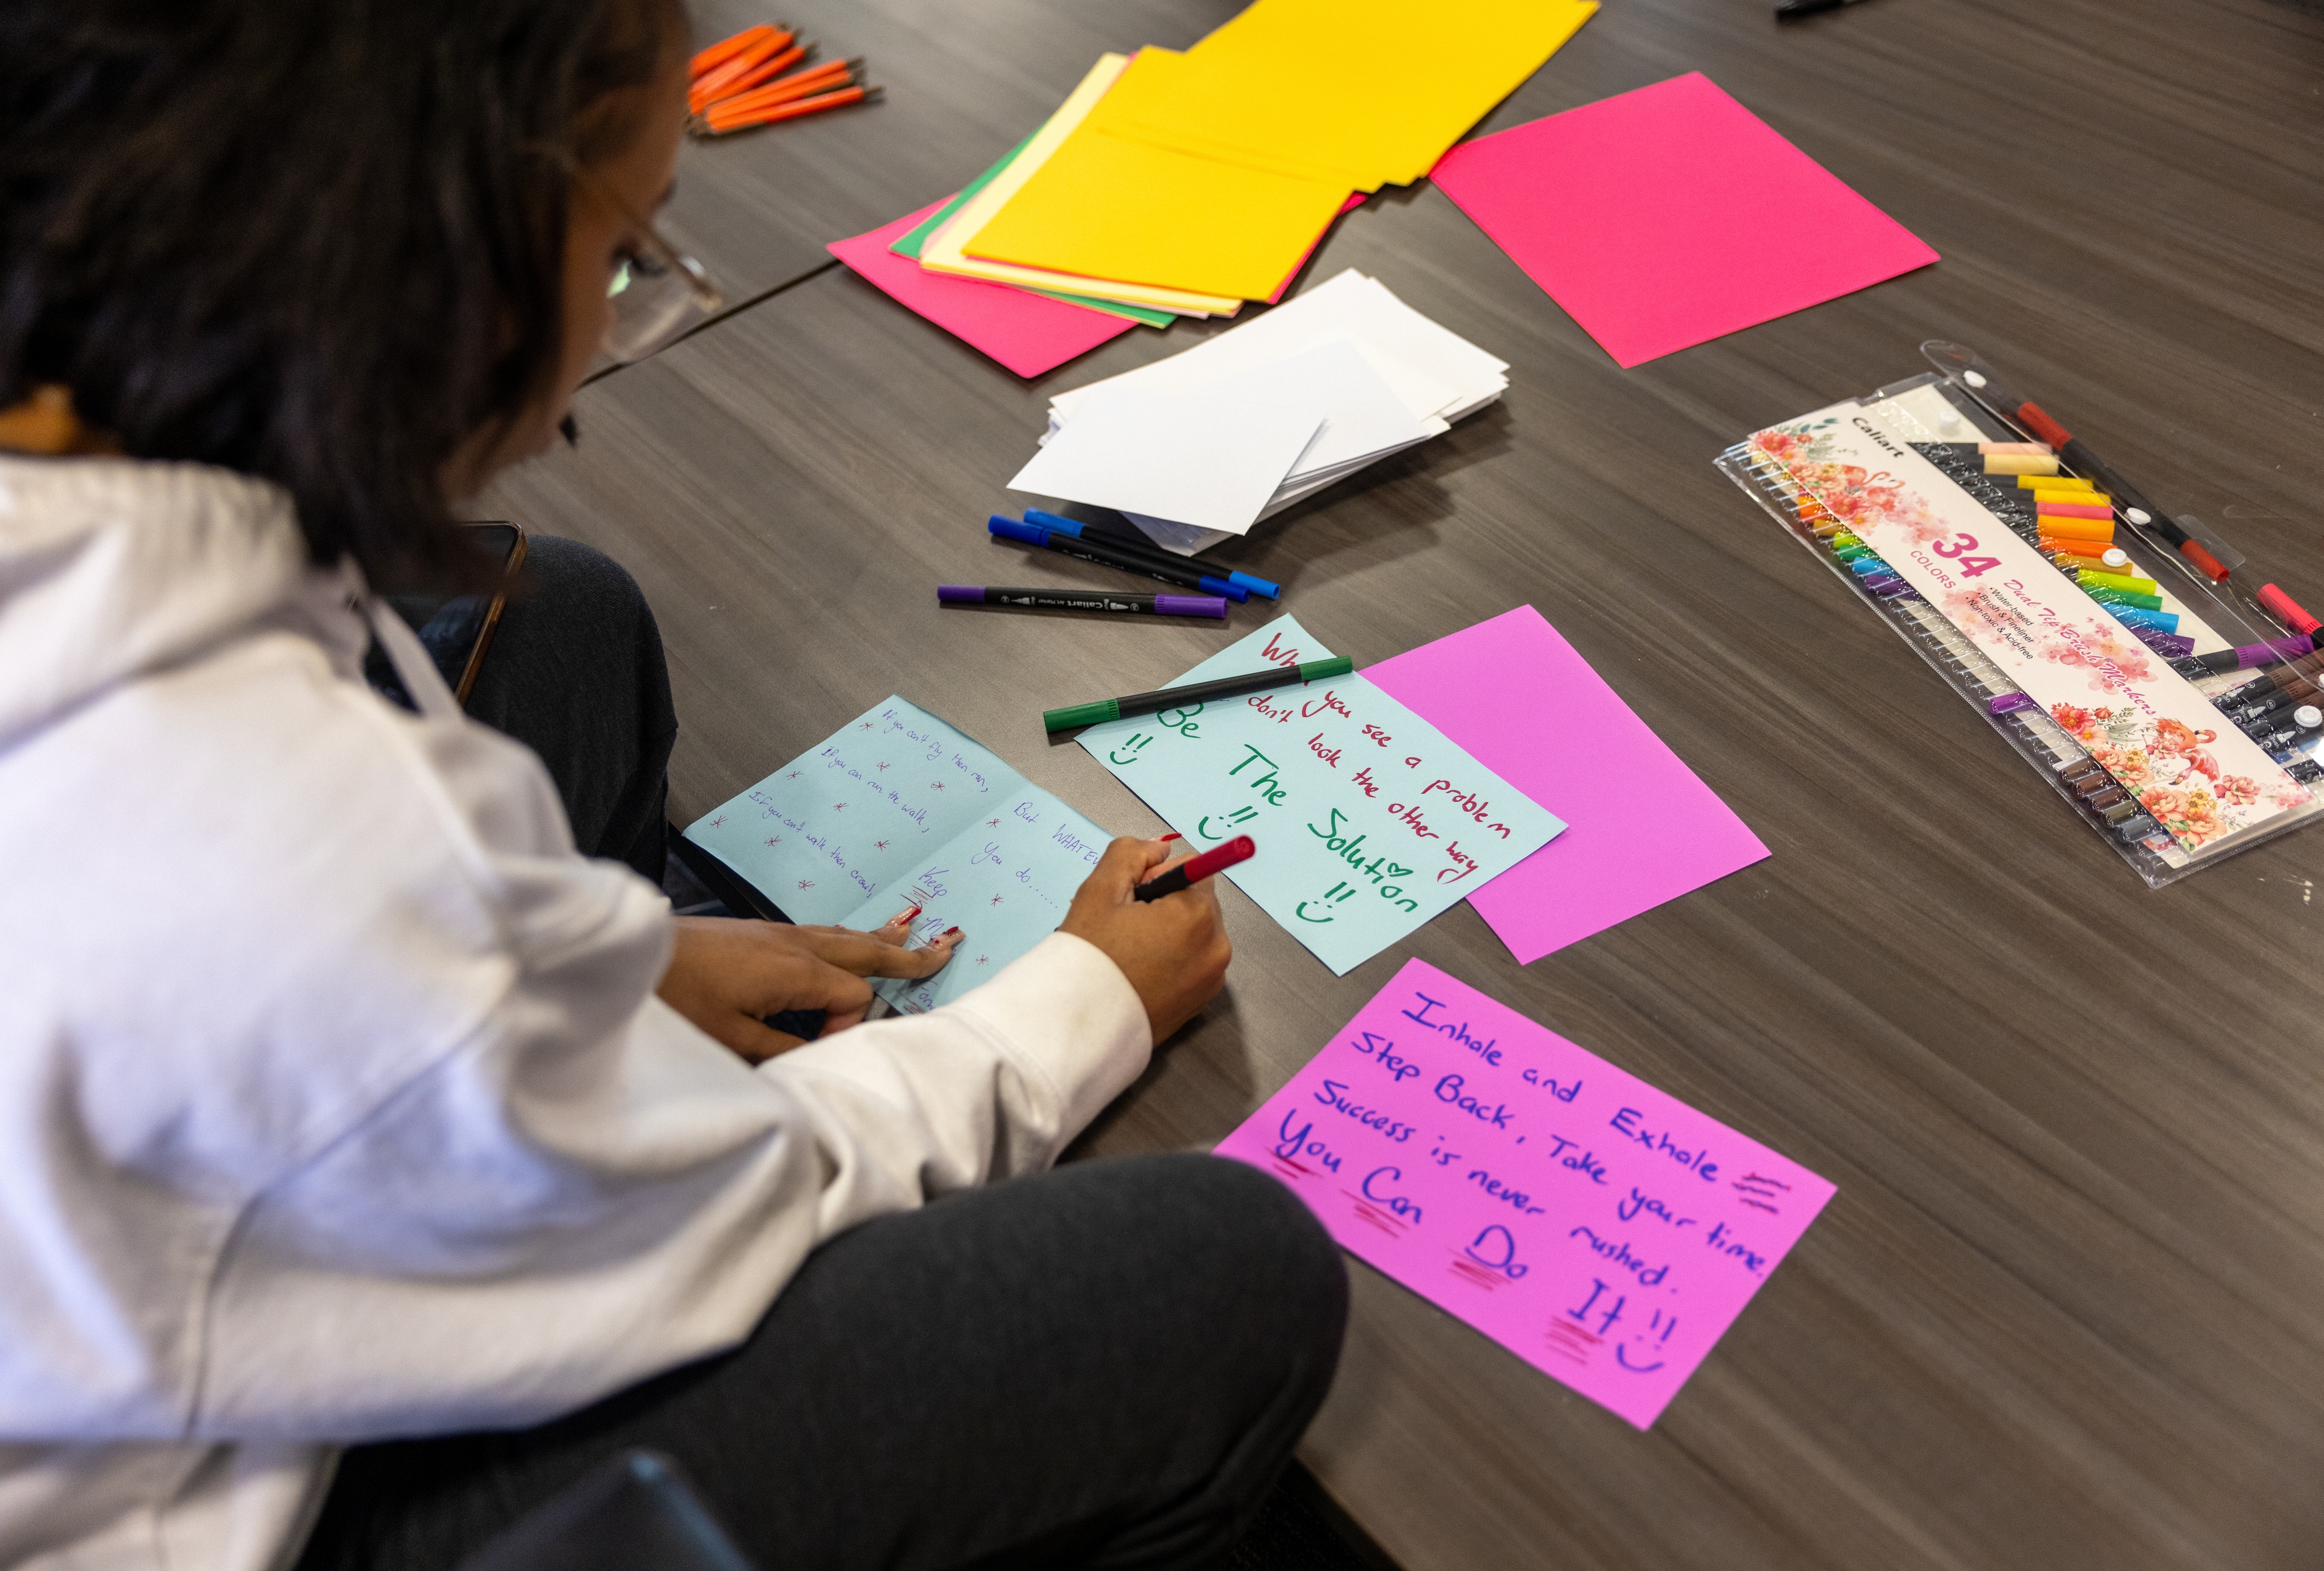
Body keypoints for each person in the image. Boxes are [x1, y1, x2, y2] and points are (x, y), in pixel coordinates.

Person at [0, 2, 1349, 1569]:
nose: (612, 324)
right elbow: (753, 1203)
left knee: (556, 616)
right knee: (1219, 1275)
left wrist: (588, 978)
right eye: (626, 248)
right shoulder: (273, 827)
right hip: (230, 1505)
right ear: (448, 261)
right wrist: (1075, 999)